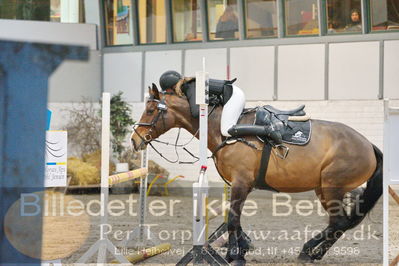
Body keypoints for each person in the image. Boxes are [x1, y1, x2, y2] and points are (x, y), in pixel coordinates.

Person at [159, 70, 282, 144]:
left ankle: (268, 130)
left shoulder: (190, 86)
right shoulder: (189, 85)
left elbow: (196, 112)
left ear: (171, 86)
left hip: (234, 95)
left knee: (227, 129)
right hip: (232, 94)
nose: (171, 93)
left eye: (169, 91)